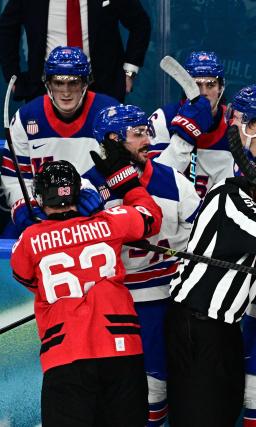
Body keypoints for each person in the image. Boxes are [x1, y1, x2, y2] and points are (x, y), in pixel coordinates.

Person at [10, 145, 162, 425]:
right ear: (78, 194)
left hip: (64, 354)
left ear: (41, 197)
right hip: (121, 349)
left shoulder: (30, 240)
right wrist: (126, 183)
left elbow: (25, 276)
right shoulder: (110, 222)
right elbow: (150, 216)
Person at [164, 149, 256, 427]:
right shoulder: (228, 199)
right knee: (199, 415)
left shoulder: (254, 203)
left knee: (226, 407)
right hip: (196, 325)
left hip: (224, 327)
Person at [86, 104, 201, 426]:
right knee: (112, 394)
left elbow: (199, 238)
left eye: (147, 132)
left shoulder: (173, 181)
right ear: (112, 140)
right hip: (110, 308)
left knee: (157, 390)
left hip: (163, 303)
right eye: (137, 134)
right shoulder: (87, 188)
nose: (147, 140)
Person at [1, 46, 117, 234]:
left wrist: (99, 194)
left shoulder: (109, 113)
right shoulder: (25, 117)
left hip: (95, 212)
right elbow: (14, 178)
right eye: (58, 83)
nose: (66, 92)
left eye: (73, 83)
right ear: (48, 84)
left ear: (85, 83)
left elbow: (126, 172)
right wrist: (24, 206)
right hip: (41, 212)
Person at [0, 0, 151, 102]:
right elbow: (6, 27)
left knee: (104, 148)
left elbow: (140, 23)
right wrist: (13, 76)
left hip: (102, 87)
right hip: (45, 88)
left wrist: (129, 72)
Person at [150, 51, 232, 197]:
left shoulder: (233, 123)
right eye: (196, 84)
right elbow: (154, 183)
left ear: (220, 88)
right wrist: (185, 135)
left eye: (211, 84)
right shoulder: (163, 117)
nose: (203, 92)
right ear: (185, 85)